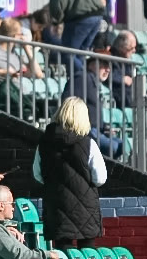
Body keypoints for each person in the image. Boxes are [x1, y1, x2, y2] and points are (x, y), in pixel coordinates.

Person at [34, 97, 106, 249]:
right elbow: (100, 178)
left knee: (63, 258)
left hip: (56, 206)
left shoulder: (43, 143)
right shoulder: (89, 144)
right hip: (85, 209)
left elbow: (37, 174)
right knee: (87, 258)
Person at [108, 31, 139, 108]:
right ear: (121, 47)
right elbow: (105, 74)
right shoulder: (108, 58)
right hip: (123, 99)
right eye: (132, 48)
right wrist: (122, 79)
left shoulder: (127, 61)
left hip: (133, 97)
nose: (134, 50)